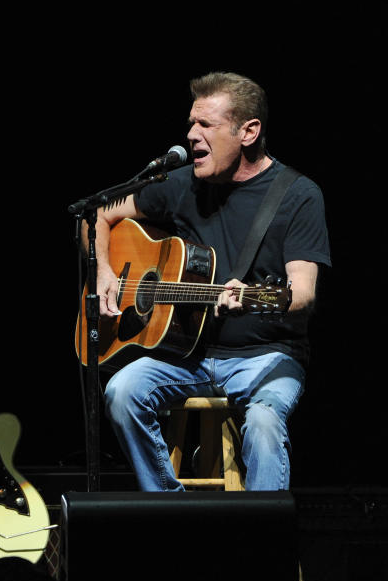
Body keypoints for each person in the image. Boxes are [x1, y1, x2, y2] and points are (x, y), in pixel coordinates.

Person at [90, 72, 330, 491]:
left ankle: (261, 540)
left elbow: (303, 295)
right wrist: (105, 271)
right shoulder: (184, 184)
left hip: (265, 357)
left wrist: (254, 300)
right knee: (122, 391)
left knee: (263, 422)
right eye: (190, 123)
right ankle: (175, 514)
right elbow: (100, 214)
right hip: (188, 354)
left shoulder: (298, 195)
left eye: (206, 125)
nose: (190, 135)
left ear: (248, 131)